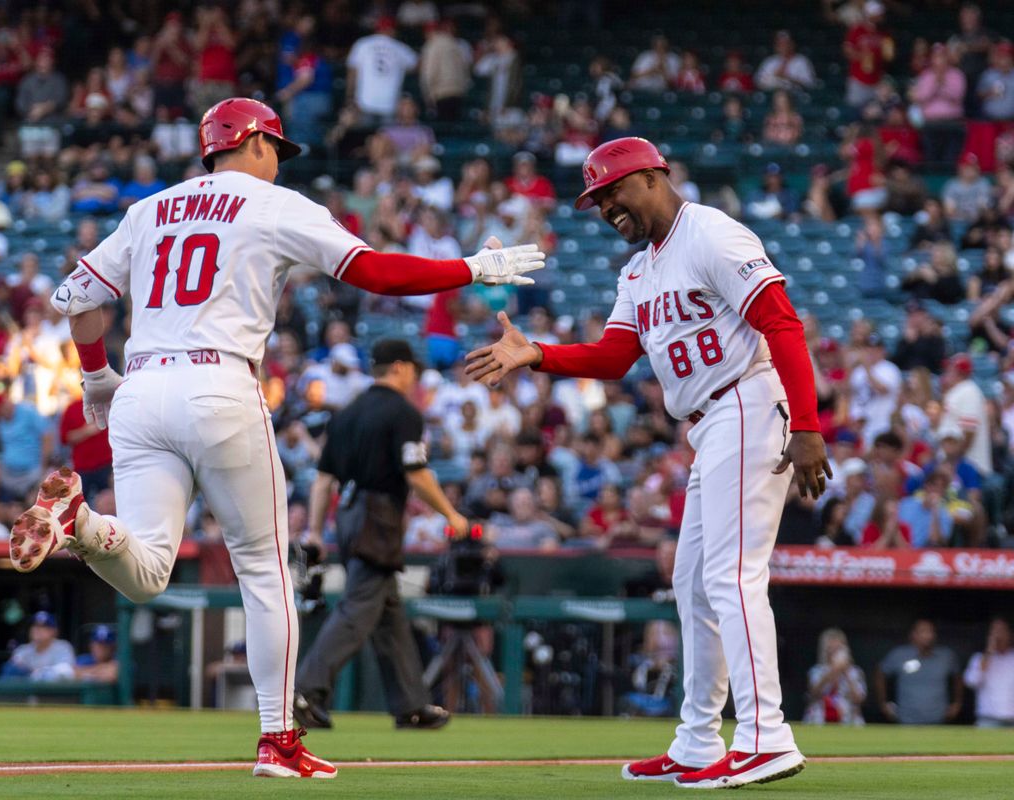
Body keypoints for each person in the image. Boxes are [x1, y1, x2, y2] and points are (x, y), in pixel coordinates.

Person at [8, 97, 542, 779]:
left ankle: (80, 522)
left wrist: (97, 379)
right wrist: (470, 269)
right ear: (256, 143)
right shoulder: (272, 204)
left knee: (145, 573)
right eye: (276, 151)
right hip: (218, 382)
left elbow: (79, 297)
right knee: (263, 571)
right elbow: (374, 272)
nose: (277, 164)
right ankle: (278, 741)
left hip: (141, 388)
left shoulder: (150, 208)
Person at [465, 136, 829, 789]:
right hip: (709, 422)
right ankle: (696, 741)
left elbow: (782, 323)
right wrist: (538, 354)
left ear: (654, 177)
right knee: (691, 583)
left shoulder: (712, 234)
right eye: (596, 199)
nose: (605, 206)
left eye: (612, 190)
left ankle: (765, 737)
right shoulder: (638, 271)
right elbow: (611, 358)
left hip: (747, 399)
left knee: (730, 576)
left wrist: (807, 427)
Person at [293, 338, 457, 732]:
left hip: (347, 514)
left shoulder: (348, 412)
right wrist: (451, 513)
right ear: (400, 367)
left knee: (388, 612)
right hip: (377, 515)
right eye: (413, 369)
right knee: (360, 605)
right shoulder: (404, 413)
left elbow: (322, 480)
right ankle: (303, 691)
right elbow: (415, 474)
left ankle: (411, 704)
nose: (415, 377)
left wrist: (316, 531)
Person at [875, 619, 963, 725]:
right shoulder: (899, 655)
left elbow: (958, 677)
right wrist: (883, 703)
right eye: (922, 631)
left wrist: (957, 703)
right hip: (907, 719)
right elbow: (880, 673)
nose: (927, 635)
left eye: (930, 631)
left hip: (938, 719)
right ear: (913, 635)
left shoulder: (946, 656)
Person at [803, 628, 865, 725]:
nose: (835, 652)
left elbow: (858, 698)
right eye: (831, 648)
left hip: (848, 720)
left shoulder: (854, 672)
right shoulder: (816, 671)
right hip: (819, 719)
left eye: (838, 648)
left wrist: (845, 672)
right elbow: (814, 693)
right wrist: (833, 671)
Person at [963, 618, 1014, 727]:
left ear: (1010, 634)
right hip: (988, 720)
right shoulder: (979, 658)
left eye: (1002, 630)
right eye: (995, 631)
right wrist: (988, 653)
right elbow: (971, 682)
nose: (998, 635)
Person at [3, 611, 76, 681]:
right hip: (27, 692)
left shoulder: (63, 647)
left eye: (43, 626)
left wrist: (38, 673)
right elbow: (11, 671)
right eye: (34, 626)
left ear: (54, 631)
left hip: (54, 692)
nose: (37, 630)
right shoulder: (22, 650)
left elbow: (66, 672)